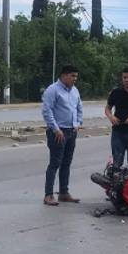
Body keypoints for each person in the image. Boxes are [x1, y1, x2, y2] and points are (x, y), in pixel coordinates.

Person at [42, 64, 84, 206]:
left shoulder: (75, 91)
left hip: (71, 131)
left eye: (76, 76)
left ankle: (64, 193)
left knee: (66, 163)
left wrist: (77, 123)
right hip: (58, 133)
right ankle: (48, 195)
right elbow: (47, 111)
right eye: (72, 76)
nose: (74, 79)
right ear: (64, 75)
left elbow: (79, 108)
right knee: (55, 163)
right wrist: (55, 129)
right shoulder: (52, 90)